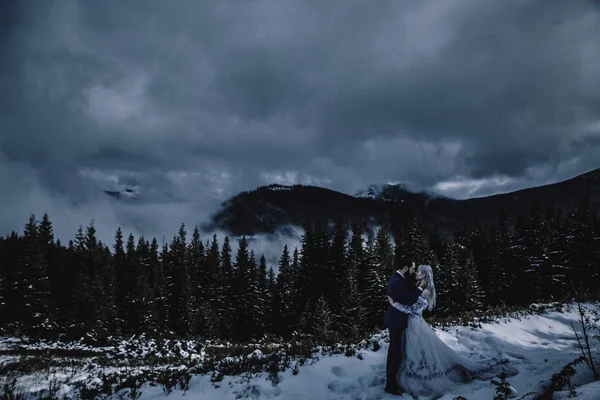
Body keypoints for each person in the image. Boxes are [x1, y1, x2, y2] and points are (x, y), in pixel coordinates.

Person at [388, 264, 517, 398]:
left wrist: (394, 304)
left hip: (416, 324)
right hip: (411, 325)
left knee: (419, 352)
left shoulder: (426, 290)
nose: (416, 273)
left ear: (424, 275)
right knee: (413, 352)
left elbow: (413, 309)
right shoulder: (418, 286)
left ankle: (421, 377)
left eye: (419, 271)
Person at [383, 258, 427, 395]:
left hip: (396, 320)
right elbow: (408, 300)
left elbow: (405, 292)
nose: (414, 271)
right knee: (395, 353)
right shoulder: (397, 281)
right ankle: (390, 385)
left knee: (395, 351)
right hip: (396, 321)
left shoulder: (399, 278)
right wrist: (421, 288)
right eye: (412, 268)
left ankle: (392, 380)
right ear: (405, 268)